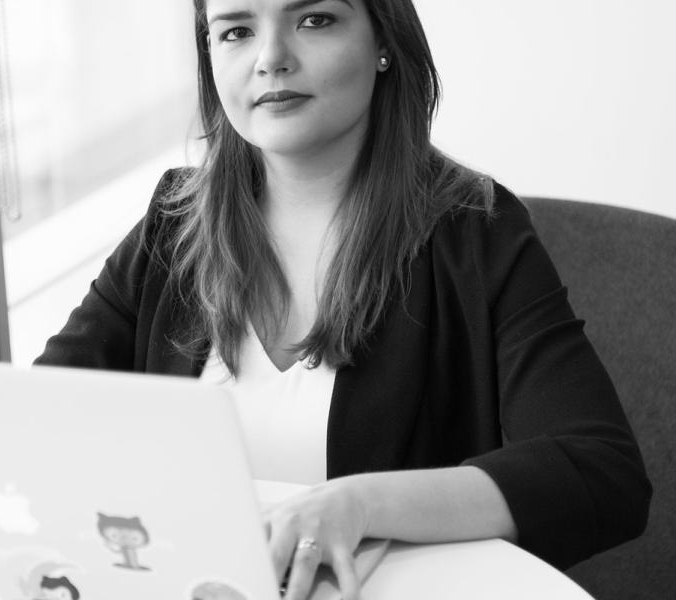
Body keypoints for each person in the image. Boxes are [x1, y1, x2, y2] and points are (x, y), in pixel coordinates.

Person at [34, 1, 652, 599]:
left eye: (314, 20)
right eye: (236, 31)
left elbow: (600, 470)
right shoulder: (174, 225)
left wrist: (361, 504)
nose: (270, 58)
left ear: (383, 39)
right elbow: (31, 421)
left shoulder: (473, 234)